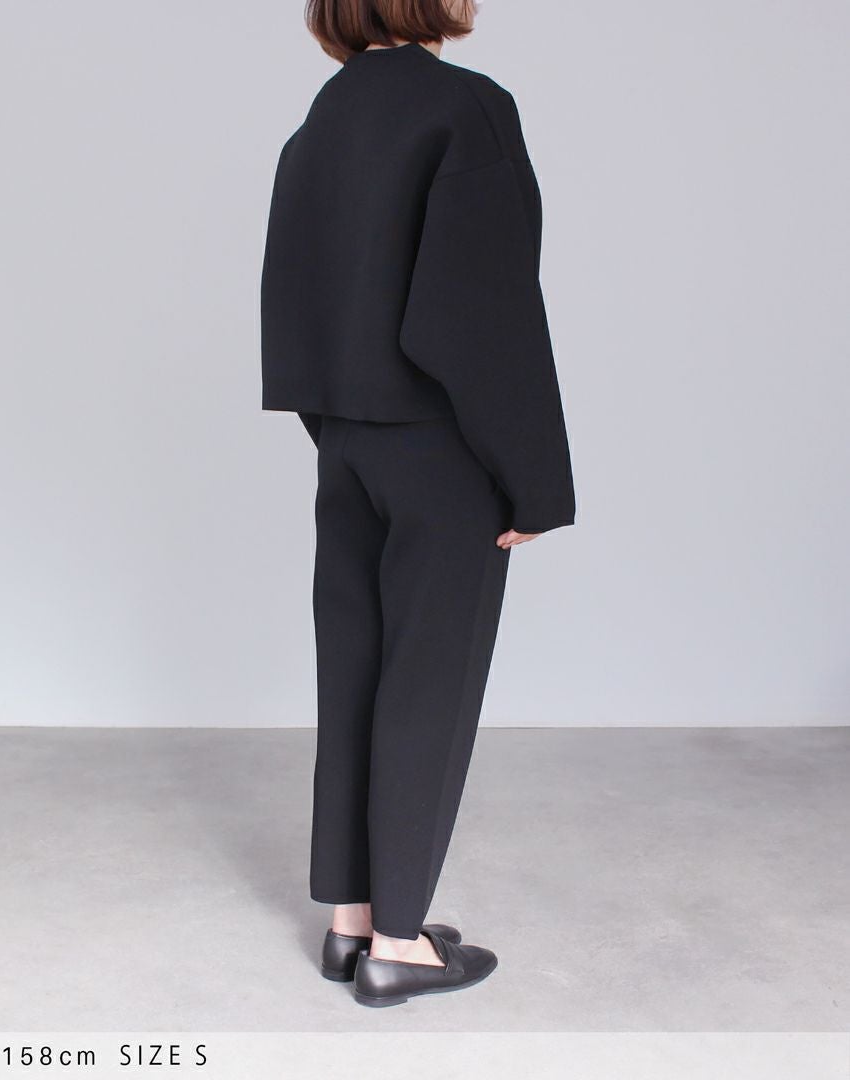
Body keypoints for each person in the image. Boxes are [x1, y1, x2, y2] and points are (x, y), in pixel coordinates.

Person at [259, 0, 576, 1008]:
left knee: (354, 670)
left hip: (346, 442)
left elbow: (293, 293)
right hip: (441, 447)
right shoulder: (464, 110)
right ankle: (401, 945)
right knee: (427, 685)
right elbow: (485, 309)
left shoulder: (322, 120)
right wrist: (534, 478)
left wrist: (336, 426)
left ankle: (351, 923)